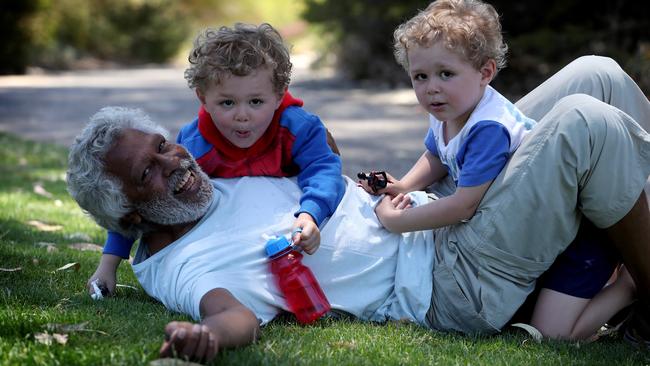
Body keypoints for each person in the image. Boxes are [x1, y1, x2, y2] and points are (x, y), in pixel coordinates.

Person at [358, 0, 648, 341]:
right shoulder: (448, 111)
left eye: (445, 74)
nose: (431, 87)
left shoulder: (487, 129)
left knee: (600, 74)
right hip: (477, 220)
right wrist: (404, 186)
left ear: (485, 73)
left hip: (487, 197)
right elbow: (436, 155)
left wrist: (396, 221)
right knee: (586, 114)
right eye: (420, 76)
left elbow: (464, 206)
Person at [86, 23, 345, 298]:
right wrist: (108, 264)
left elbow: (324, 170)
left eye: (256, 102)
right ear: (203, 99)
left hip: (292, 223)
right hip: (235, 235)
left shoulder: (298, 127)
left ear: (279, 95)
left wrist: (311, 212)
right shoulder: (194, 144)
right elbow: (149, 199)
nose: (242, 115)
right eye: (227, 103)